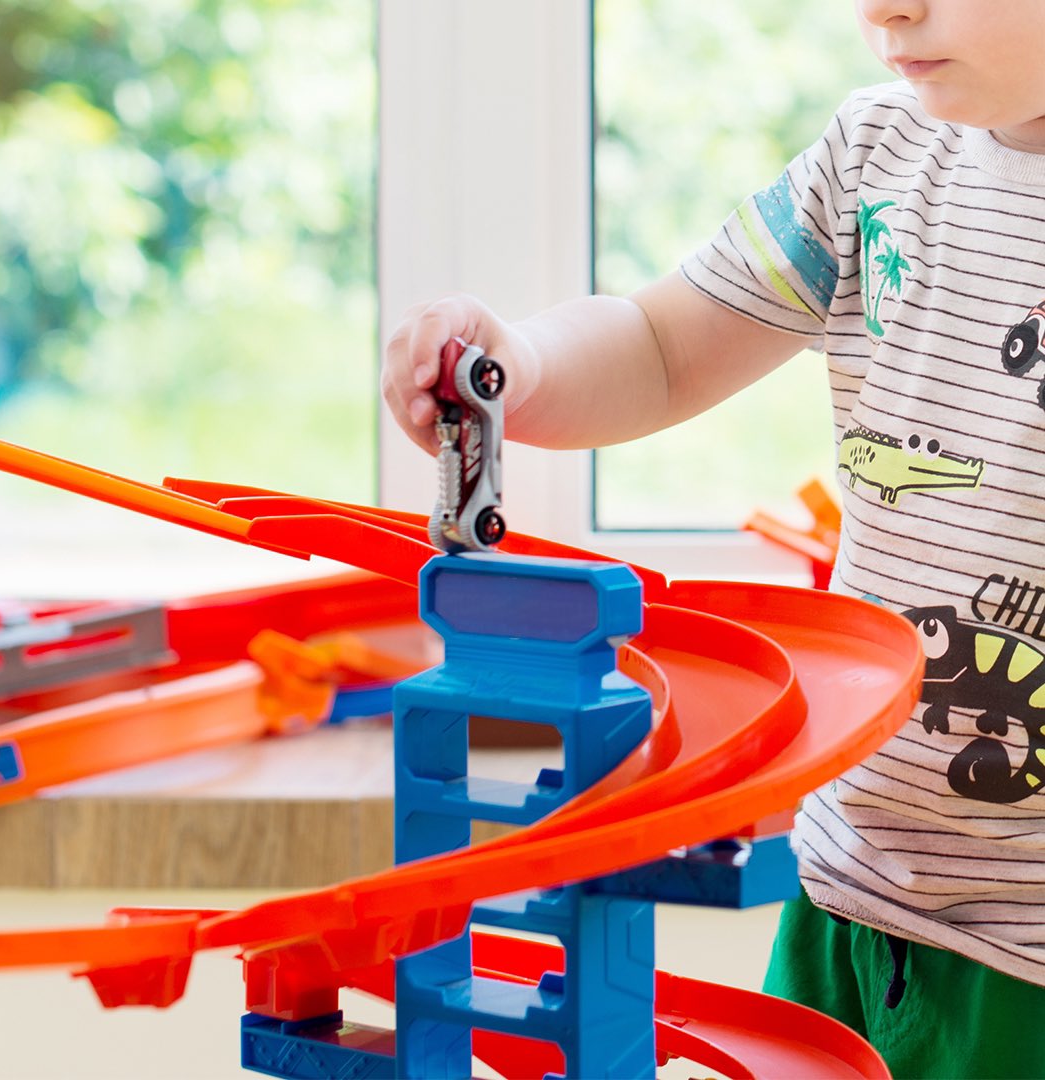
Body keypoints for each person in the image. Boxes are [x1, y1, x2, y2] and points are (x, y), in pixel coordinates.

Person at [383, 2, 1045, 1076]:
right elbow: (659, 347)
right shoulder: (874, 151)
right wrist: (522, 366)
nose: (885, 8)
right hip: (847, 898)